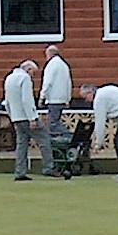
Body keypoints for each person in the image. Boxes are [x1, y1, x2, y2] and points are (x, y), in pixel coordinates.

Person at [4, 58, 41, 181]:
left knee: (21, 145)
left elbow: (7, 101)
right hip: (26, 117)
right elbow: (27, 100)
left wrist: (11, 116)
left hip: (16, 117)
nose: (32, 76)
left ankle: (20, 172)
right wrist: (32, 118)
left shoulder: (9, 78)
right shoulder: (25, 78)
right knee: (44, 139)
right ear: (28, 69)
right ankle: (49, 168)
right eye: (33, 73)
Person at [39, 43, 72, 176]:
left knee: (53, 124)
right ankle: (66, 139)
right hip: (62, 98)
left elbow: (48, 82)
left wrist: (42, 96)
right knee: (56, 122)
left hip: (53, 99)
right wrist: (68, 98)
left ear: (50, 54)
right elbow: (69, 82)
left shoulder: (51, 65)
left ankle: (68, 138)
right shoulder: (64, 65)